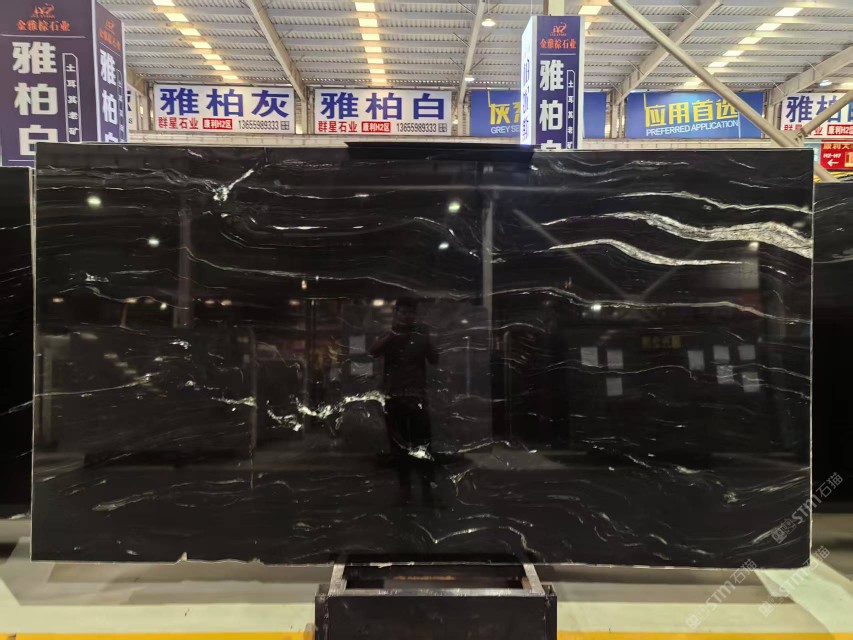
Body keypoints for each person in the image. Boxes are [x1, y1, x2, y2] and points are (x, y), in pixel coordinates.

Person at [369, 298, 438, 506]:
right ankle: (406, 492)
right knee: (399, 447)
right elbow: (373, 351)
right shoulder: (390, 335)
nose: (406, 316)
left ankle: (426, 492)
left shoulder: (420, 335)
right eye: (402, 313)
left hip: (415, 397)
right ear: (396, 314)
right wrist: (393, 334)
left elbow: (434, 359)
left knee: (422, 445)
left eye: (409, 313)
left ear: (414, 315)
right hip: (396, 397)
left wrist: (427, 339)